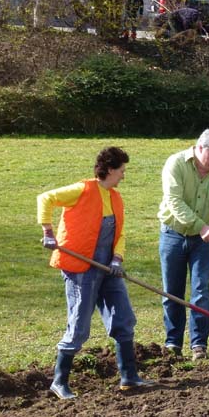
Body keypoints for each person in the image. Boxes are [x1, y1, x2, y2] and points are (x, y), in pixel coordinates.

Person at [38, 146, 153, 399]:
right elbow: (45, 198)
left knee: (123, 317)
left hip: (108, 268)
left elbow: (119, 232)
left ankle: (129, 377)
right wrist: (48, 231)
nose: (124, 175)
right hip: (81, 269)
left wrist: (117, 258)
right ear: (110, 169)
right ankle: (59, 381)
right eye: (122, 170)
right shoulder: (82, 190)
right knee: (79, 324)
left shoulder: (115, 197)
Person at [158, 129, 209, 361]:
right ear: (200, 148)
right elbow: (174, 201)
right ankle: (173, 343)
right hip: (173, 234)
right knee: (171, 291)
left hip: (203, 241)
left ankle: (199, 345)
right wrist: (200, 225)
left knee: (201, 290)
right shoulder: (175, 164)